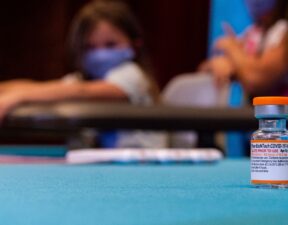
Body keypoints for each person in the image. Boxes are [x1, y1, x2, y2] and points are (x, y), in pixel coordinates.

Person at [0, 0, 166, 148]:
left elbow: (81, 92)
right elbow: (42, 87)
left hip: (139, 167)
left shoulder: (132, 75)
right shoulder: (84, 79)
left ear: (135, 45)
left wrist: (17, 97)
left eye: (110, 45)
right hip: (101, 168)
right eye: (90, 47)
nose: (100, 54)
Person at [200, 0, 288, 158]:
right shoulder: (256, 33)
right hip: (267, 150)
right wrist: (226, 65)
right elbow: (212, 67)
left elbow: (255, 79)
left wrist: (231, 48)